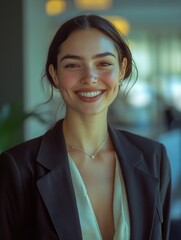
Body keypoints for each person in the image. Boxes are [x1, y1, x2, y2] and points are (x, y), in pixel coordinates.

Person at [0, 14, 171, 240]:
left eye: (103, 64)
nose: (89, 77)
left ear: (121, 69)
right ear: (55, 74)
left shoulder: (153, 158)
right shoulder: (17, 168)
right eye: (72, 65)